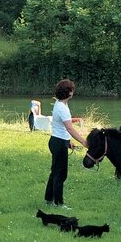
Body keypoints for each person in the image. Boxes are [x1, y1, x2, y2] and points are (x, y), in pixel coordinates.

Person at [44, 79, 87, 210]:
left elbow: (61, 127)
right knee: (61, 174)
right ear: (69, 92)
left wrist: (68, 142)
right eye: (72, 90)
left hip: (58, 140)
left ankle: (48, 199)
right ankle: (59, 203)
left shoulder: (59, 104)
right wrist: (84, 142)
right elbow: (70, 128)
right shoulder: (62, 108)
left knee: (55, 171)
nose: (73, 92)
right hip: (58, 142)